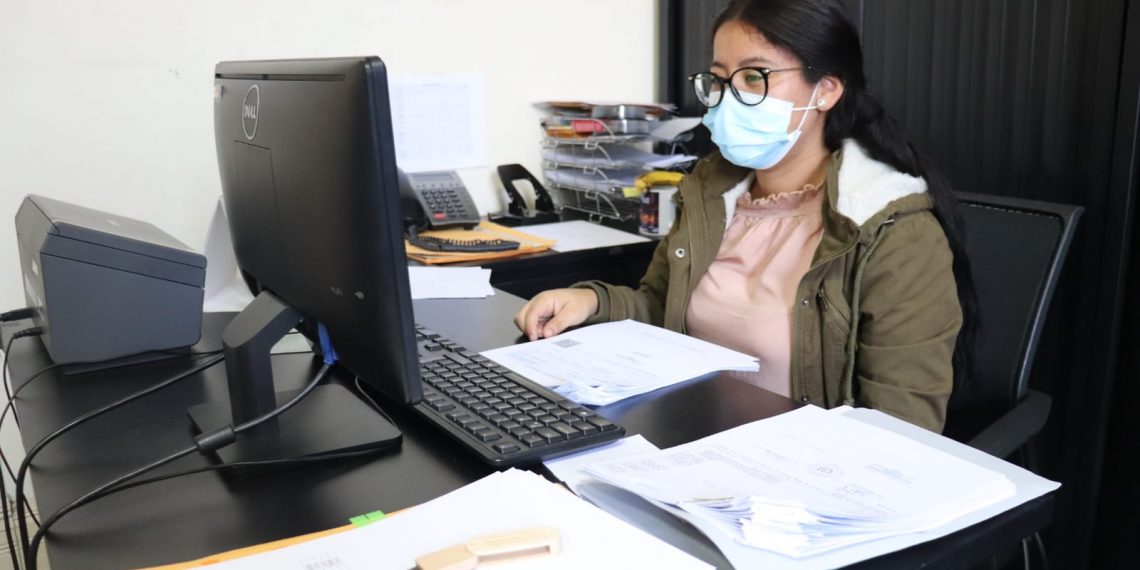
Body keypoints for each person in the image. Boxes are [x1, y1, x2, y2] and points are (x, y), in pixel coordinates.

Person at [514, 0, 975, 433]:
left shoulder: (889, 230)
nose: (728, 98)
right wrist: (591, 301)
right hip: (685, 438)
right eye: (720, 79)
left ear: (826, 90)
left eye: (755, 77)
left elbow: (902, 427)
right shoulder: (712, 192)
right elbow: (662, 306)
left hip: (797, 470)